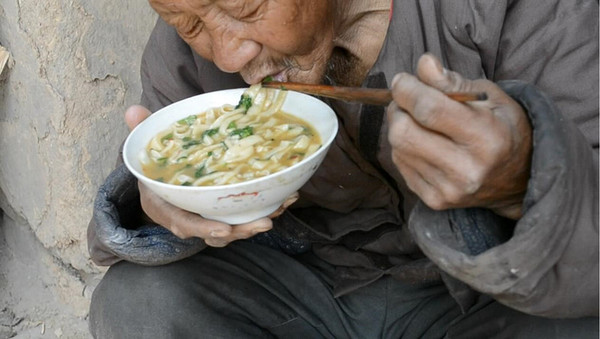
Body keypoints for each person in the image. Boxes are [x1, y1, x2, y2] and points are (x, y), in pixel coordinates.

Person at [87, 0, 599, 338]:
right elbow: (118, 229)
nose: (228, 53)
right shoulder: (189, 34)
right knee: (139, 303)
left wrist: (516, 183)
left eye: (246, 6)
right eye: (192, 25)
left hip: (478, 297)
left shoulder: (524, 11)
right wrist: (158, 204)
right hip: (302, 290)